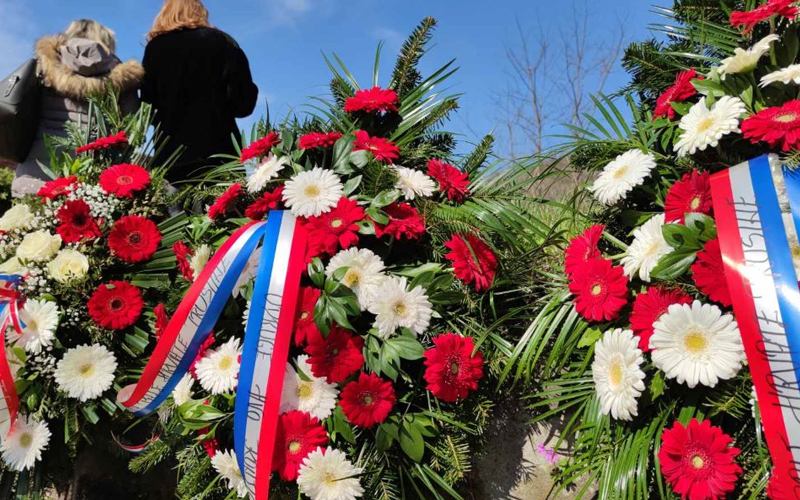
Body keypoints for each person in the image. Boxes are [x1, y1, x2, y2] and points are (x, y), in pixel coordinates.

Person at [13, 20, 143, 197]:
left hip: (34, 171)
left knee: (28, 222)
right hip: (90, 176)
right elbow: (132, 126)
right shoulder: (123, 76)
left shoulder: (43, 64)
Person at [142, 0, 259, 181]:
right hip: (220, 154)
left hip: (170, 156)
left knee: (174, 209)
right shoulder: (223, 42)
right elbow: (243, 105)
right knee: (224, 208)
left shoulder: (154, 48)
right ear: (200, 12)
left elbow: (147, 104)